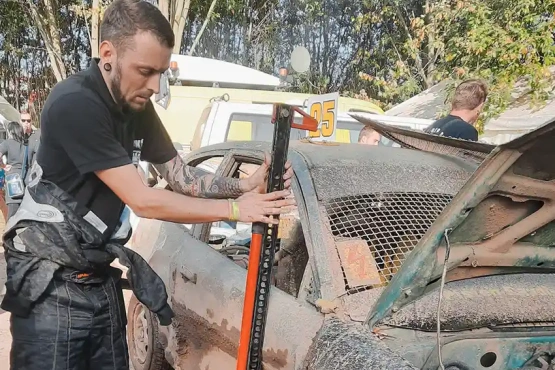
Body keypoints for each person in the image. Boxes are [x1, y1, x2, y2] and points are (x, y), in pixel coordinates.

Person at [2, 1, 295, 369]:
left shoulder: (136, 106)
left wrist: (246, 185)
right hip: (49, 286)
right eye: (145, 71)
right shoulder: (75, 103)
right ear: (108, 53)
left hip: (97, 276)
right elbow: (143, 200)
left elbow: (181, 177)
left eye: (160, 73)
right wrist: (236, 211)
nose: (155, 86)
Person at [0, 121, 37, 219]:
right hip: (27, 183)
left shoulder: (7, 143)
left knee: (12, 217)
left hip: (13, 183)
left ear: (10, 132)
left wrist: (3, 166)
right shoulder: (28, 144)